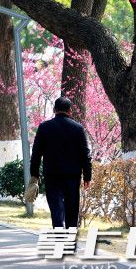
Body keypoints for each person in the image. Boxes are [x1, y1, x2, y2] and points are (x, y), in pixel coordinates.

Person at [28, 96, 92, 229]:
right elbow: (85, 154)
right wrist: (87, 176)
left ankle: (59, 235)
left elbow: (36, 154)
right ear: (70, 111)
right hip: (72, 177)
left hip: (52, 175)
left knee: (56, 209)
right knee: (72, 210)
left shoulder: (44, 127)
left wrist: (34, 174)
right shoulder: (78, 128)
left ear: (54, 109)